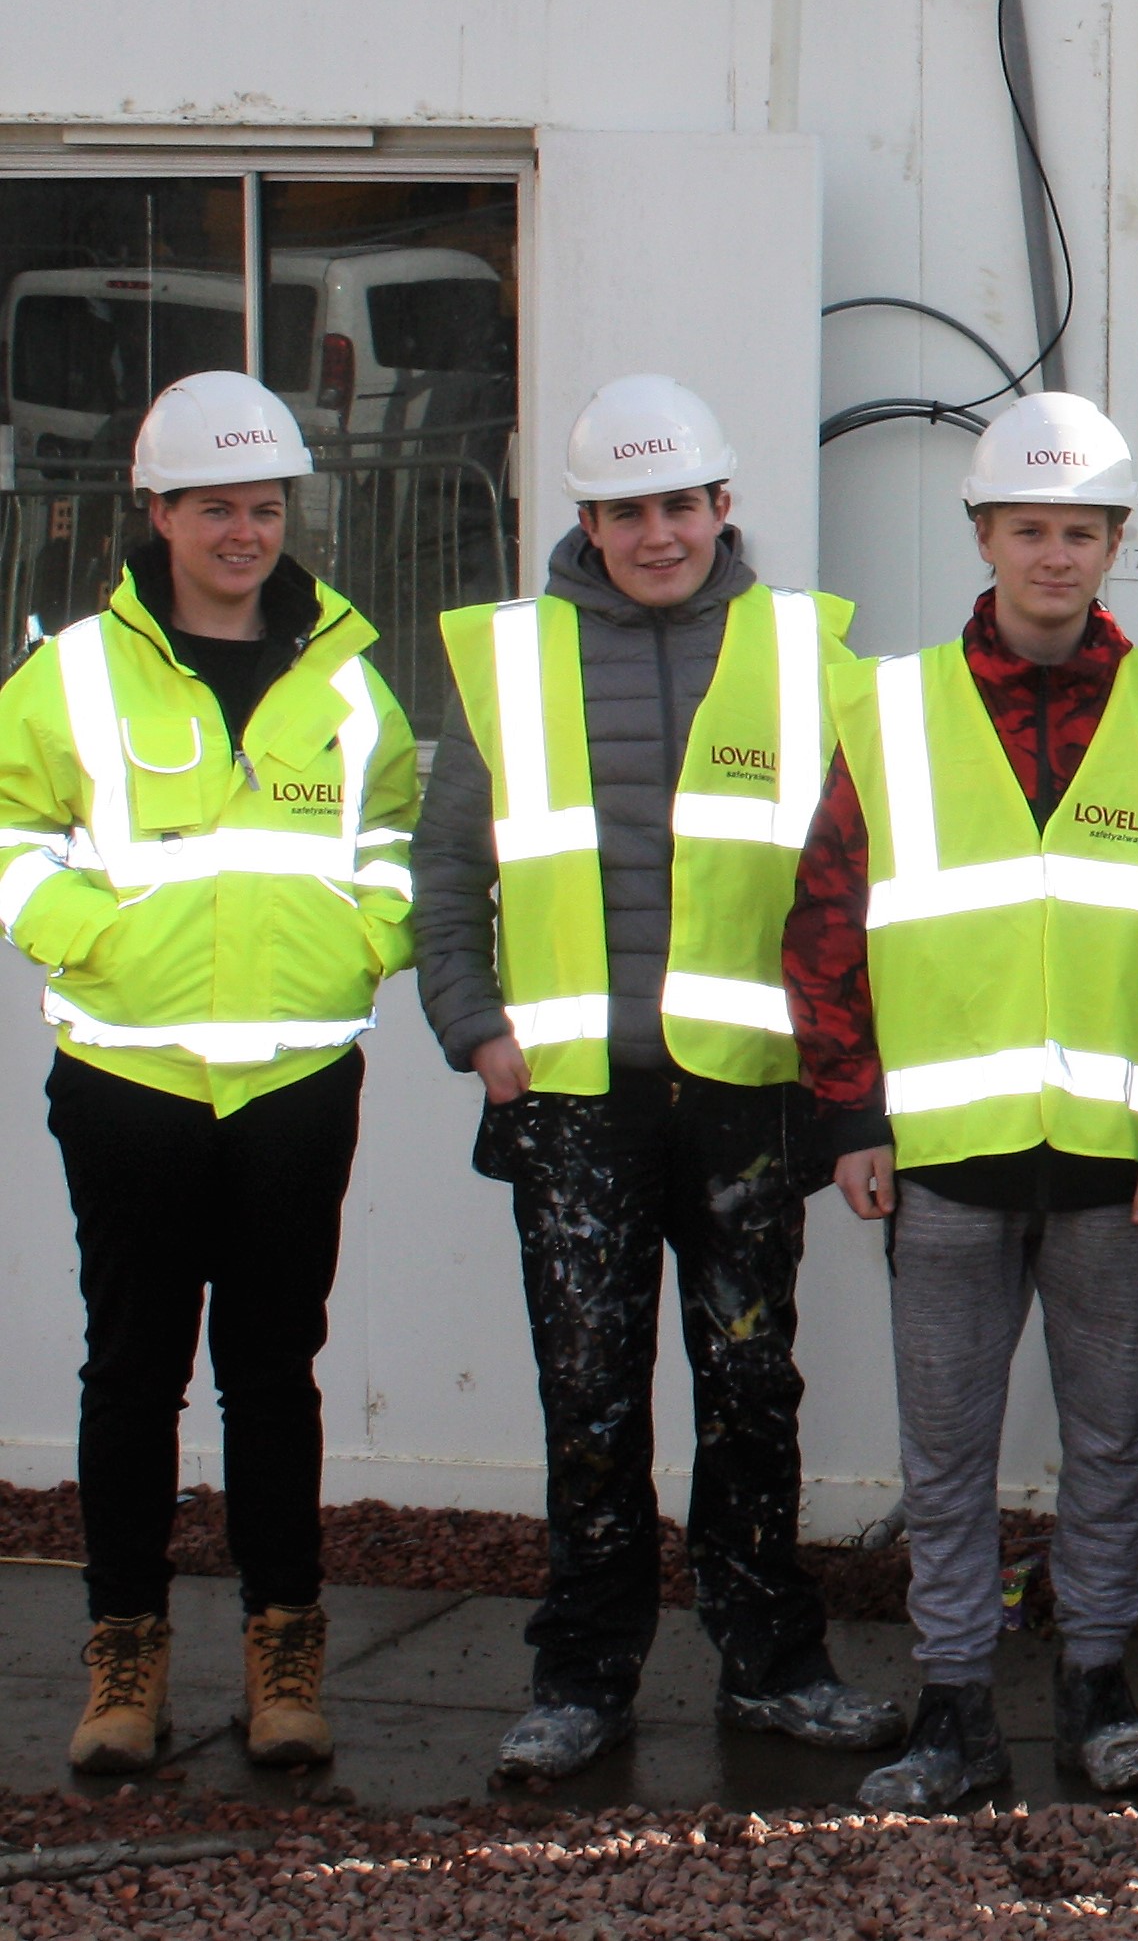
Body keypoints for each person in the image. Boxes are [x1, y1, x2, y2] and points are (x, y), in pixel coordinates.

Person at [420, 376, 904, 1783]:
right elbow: (448, 863)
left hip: (747, 1093)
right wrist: (473, 1025)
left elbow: (860, 875)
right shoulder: (509, 660)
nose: (656, 534)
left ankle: (771, 1657)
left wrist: (846, 1068)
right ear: (587, 519)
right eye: (627, 511)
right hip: (571, 1097)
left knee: (751, 1378)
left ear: (723, 503)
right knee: (590, 1393)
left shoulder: (811, 653)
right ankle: (582, 1672)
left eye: (679, 505)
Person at [789, 392, 1138, 1810]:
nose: (1054, 554)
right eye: (1028, 527)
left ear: (1116, 542)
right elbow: (823, 925)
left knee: (1109, 1442)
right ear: (983, 533)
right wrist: (850, 1115)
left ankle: (1100, 1686)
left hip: (1119, 1167)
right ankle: (952, 1705)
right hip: (939, 1162)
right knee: (949, 1445)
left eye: (1082, 529)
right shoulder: (890, 709)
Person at [0, 374, 415, 1778]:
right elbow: (9, 822)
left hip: (297, 1076)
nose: (247, 530)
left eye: (266, 505)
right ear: (158, 510)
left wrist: (371, 940)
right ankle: (125, 1660)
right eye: (218, 506)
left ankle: (284, 1652)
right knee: (131, 1372)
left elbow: (402, 835)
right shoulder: (70, 675)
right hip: (131, 1072)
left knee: (271, 1371)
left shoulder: (346, 679)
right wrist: (83, 933)